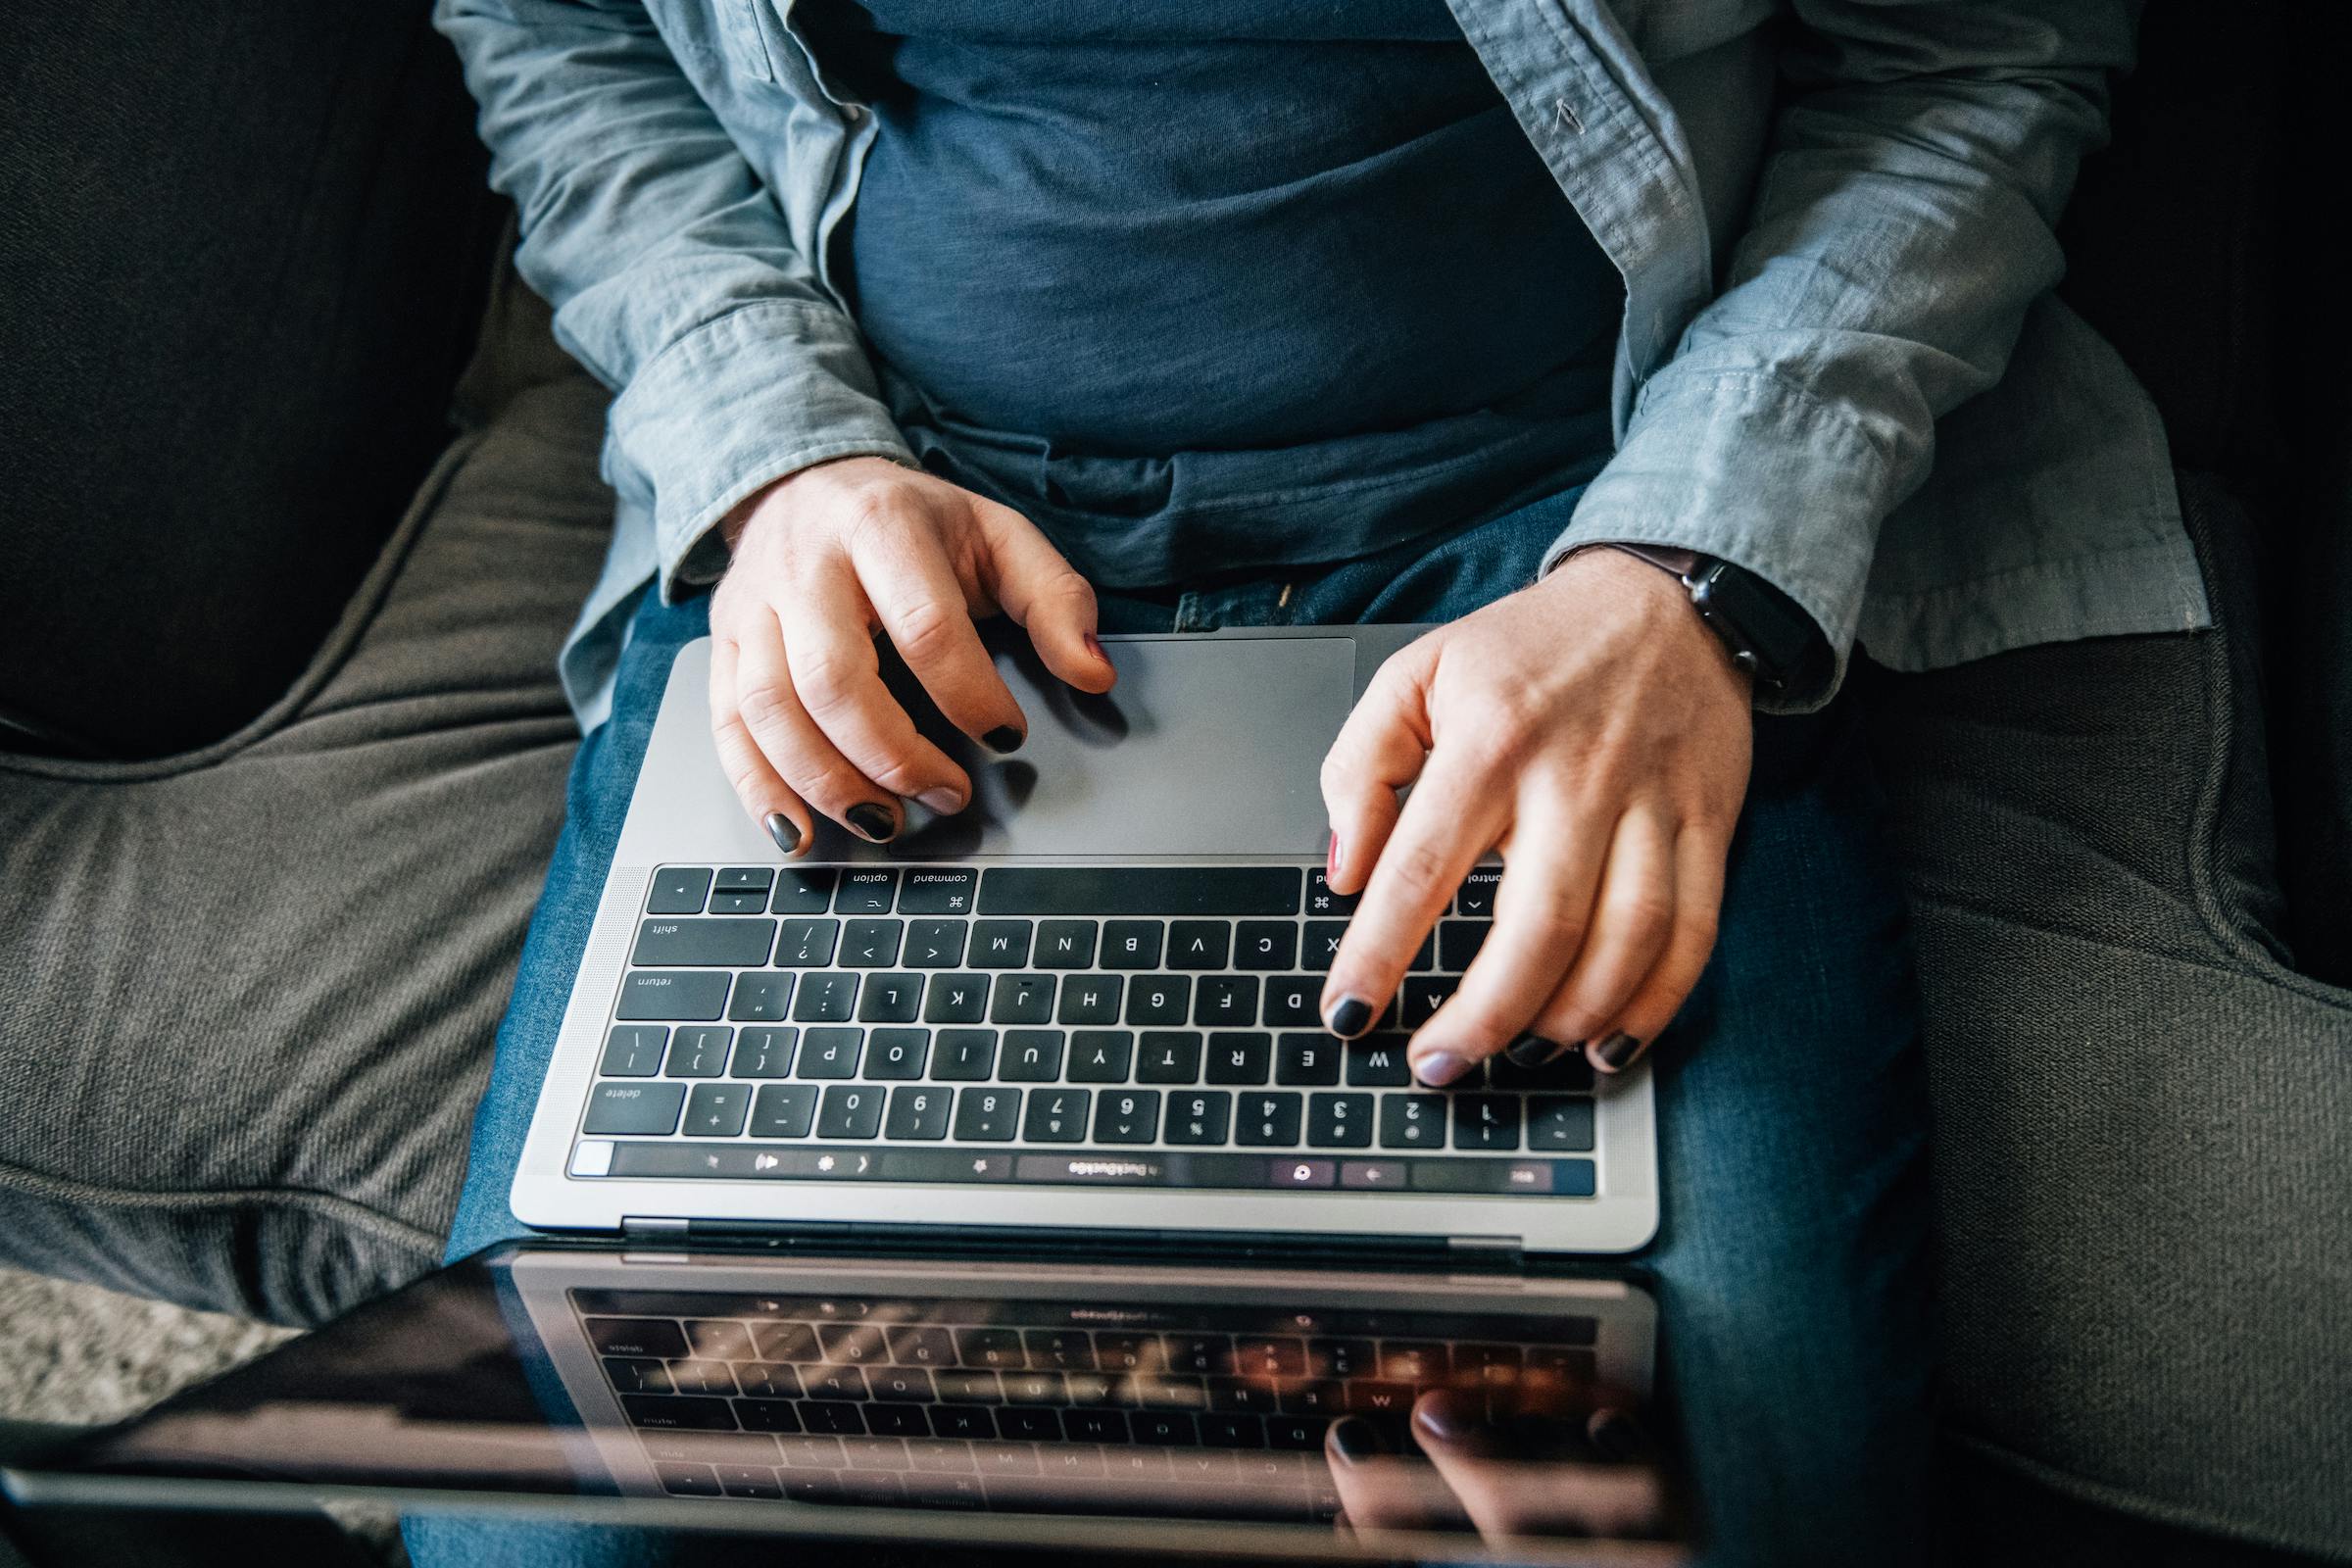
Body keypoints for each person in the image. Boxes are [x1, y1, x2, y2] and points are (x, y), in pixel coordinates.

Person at [414, 1, 2206, 1561]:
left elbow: (1981, 48)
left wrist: (1693, 567)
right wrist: (775, 454)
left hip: (1578, 522)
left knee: (1696, 1486)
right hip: (898, 528)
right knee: (538, 1515)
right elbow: (560, 33)